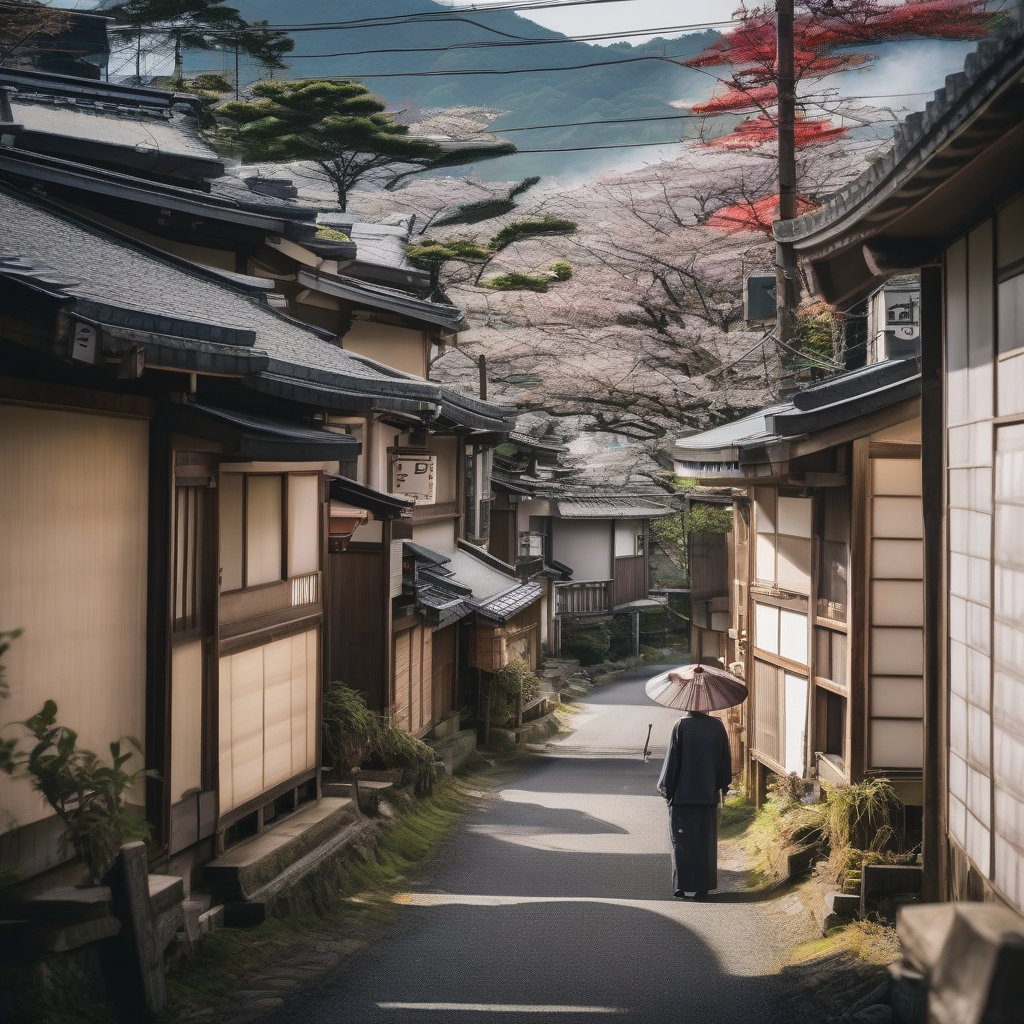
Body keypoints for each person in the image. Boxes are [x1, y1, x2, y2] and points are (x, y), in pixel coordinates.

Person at [657, 705, 732, 899]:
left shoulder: (681, 725)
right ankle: (702, 887)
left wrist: (667, 789)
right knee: (704, 842)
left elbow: (673, 760)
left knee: (681, 841)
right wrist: (722, 785)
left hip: (682, 796)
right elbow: (725, 759)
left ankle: (680, 885)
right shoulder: (717, 727)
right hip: (707, 795)